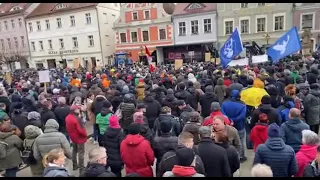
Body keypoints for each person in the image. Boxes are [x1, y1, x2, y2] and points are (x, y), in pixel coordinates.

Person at [221, 89, 247, 162]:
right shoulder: (242, 105)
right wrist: (234, 120)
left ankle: (228, 155)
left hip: (227, 125)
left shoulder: (224, 104)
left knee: (227, 140)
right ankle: (241, 156)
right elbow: (242, 116)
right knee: (240, 140)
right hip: (239, 125)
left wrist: (230, 120)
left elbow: (223, 114)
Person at [65, 105, 87, 173]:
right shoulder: (77, 119)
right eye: (78, 109)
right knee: (81, 153)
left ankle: (75, 165)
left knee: (74, 151)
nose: (79, 110)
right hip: (79, 138)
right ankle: (81, 168)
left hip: (73, 137)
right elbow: (81, 130)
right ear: (75, 110)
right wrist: (85, 135)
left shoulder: (68, 117)